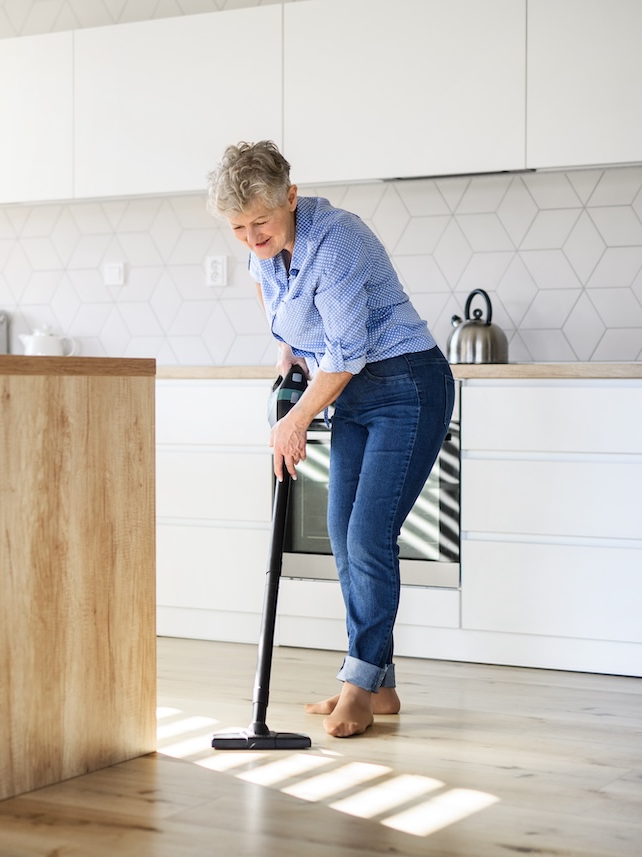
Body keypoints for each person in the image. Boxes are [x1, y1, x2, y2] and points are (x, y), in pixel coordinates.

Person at [206, 140, 455, 738]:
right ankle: (381, 683)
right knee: (344, 539)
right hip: (348, 396)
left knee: (369, 535)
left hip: (406, 386)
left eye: (260, 222)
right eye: (237, 228)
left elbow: (348, 350)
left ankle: (358, 686)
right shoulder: (262, 253)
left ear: (290, 198)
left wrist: (294, 421)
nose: (250, 238)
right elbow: (289, 322)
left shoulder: (337, 238)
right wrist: (289, 359)